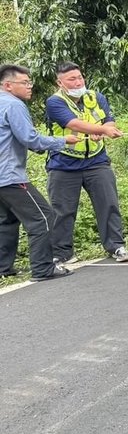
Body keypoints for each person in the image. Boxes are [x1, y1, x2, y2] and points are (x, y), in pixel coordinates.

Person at [45, 61, 128, 264]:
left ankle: (116, 246)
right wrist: (99, 130)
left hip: (97, 161)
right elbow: (72, 123)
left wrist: (105, 130)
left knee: (108, 204)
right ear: (60, 82)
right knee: (62, 210)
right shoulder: (54, 102)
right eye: (71, 79)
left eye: (80, 77)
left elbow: (109, 120)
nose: (77, 82)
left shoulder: (96, 97)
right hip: (64, 163)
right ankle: (62, 253)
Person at [0, 64, 79, 281]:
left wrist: (40, 145)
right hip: (9, 176)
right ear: (8, 85)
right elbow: (30, 138)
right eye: (24, 83)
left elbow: (18, 138)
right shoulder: (13, 105)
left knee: (6, 220)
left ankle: (3, 267)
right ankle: (43, 268)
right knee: (43, 216)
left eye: (29, 82)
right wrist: (63, 140)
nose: (30, 86)